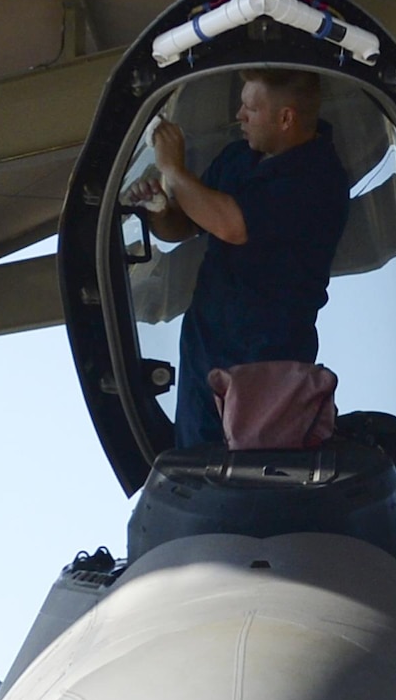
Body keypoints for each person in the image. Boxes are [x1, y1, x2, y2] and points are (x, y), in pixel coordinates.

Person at [130, 69, 350, 449]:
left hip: (266, 356)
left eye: (250, 108)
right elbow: (187, 224)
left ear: (286, 118)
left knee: (252, 475)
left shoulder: (319, 178)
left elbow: (233, 225)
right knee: (196, 466)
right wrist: (160, 207)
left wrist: (172, 169)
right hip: (206, 341)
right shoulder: (237, 158)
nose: (240, 116)